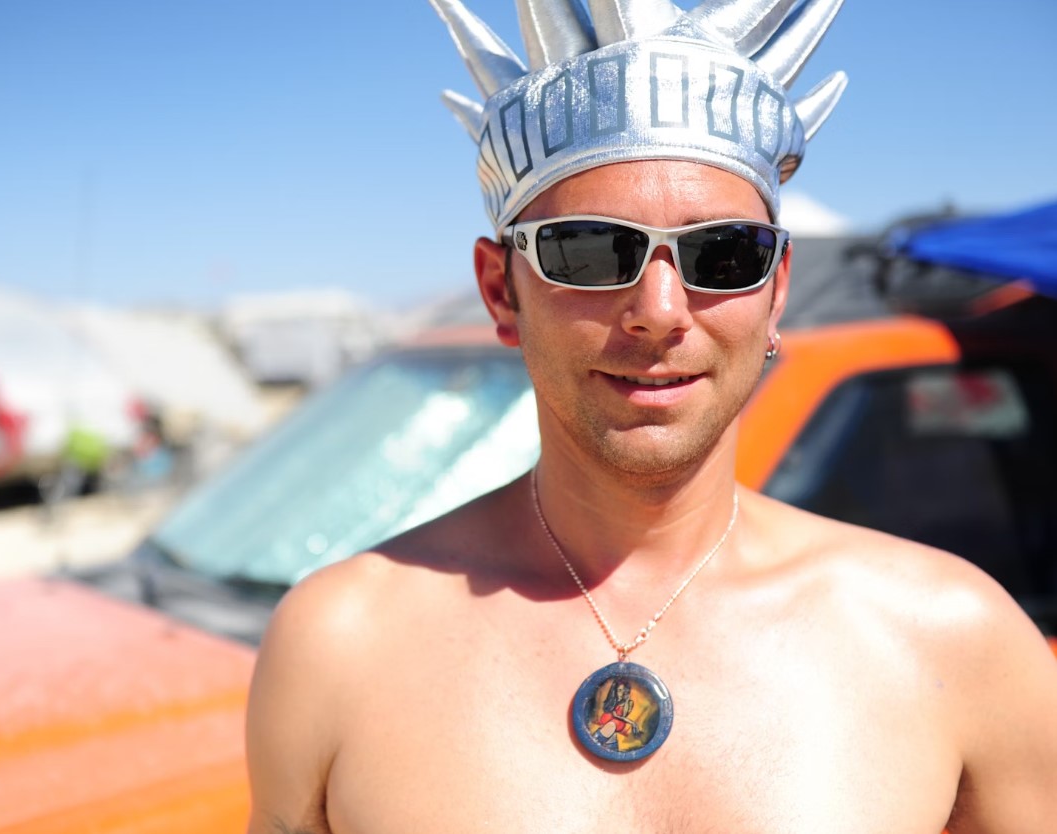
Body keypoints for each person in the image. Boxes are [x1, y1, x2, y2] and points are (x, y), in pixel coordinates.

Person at [246, 0, 1057, 831]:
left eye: (724, 255)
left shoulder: (957, 644)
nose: (660, 311)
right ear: (501, 290)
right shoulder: (338, 645)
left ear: (775, 291)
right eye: (589, 250)